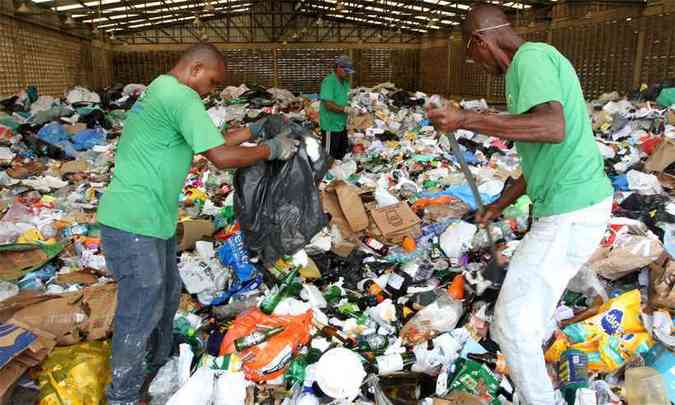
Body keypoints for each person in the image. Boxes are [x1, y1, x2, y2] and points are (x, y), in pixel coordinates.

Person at [427, 4, 613, 404]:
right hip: (572, 206)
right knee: (533, 309)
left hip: (571, 211)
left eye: (470, 55)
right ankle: (551, 357)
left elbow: (552, 128)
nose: (475, 63)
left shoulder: (531, 59)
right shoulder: (524, 69)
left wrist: (466, 120)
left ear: (480, 42)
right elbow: (540, 157)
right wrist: (500, 203)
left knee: (510, 325)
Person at [96, 43, 298, 405]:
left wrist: (254, 129)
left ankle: (159, 358)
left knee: (168, 293)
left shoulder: (162, 87)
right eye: (212, 81)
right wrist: (272, 150)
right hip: (132, 222)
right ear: (196, 68)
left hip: (151, 220)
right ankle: (122, 395)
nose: (212, 90)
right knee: (141, 308)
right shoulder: (181, 98)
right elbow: (220, 158)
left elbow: (210, 143)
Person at [320, 54, 356, 160]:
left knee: (341, 153)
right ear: (338, 68)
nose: (348, 74)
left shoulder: (345, 82)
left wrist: (352, 109)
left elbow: (345, 99)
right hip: (330, 125)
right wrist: (345, 109)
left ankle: (337, 174)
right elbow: (328, 104)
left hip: (341, 125)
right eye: (346, 71)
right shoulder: (329, 81)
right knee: (329, 156)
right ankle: (325, 176)